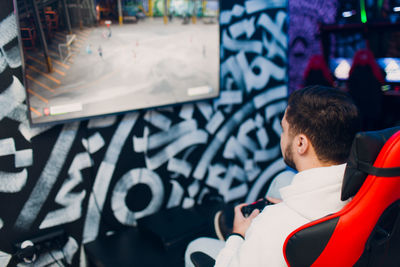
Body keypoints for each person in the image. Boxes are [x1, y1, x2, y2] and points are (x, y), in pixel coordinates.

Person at [185, 85, 361, 267]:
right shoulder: (367, 186)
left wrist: (238, 236)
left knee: (195, 246)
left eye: (284, 130)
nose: (282, 137)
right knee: (283, 180)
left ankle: (235, 230)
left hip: (270, 243)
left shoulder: (270, 225)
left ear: (301, 143)